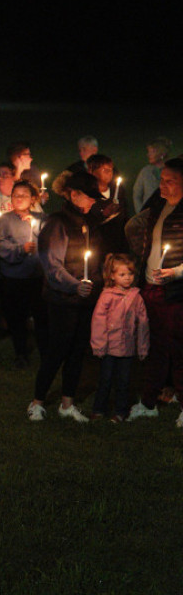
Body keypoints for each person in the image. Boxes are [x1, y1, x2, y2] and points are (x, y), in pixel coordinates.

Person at [28, 171, 105, 423]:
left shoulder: (88, 220)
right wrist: (75, 286)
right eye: (89, 197)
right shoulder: (58, 223)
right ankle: (37, 402)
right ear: (74, 195)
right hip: (63, 300)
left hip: (85, 299)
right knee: (57, 350)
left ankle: (67, 403)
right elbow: (52, 267)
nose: (93, 201)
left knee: (77, 351)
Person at [124, 158, 183, 422]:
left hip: (175, 292)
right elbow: (134, 227)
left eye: (170, 181)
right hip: (151, 287)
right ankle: (149, 402)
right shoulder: (158, 203)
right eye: (162, 179)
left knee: (177, 348)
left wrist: (176, 272)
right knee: (156, 346)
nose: (163, 185)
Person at [90, 254, 149, 422]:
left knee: (123, 383)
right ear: (112, 275)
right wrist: (99, 346)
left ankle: (120, 412)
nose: (127, 278)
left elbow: (143, 324)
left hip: (127, 349)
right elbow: (98, 322)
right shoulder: (107, 296)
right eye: (122, 275)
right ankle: (99, 409)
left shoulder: (136, 297)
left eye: (130, 274)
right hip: (109, 349)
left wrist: (142, 347)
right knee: (105, 380)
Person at [0, 180, 48, 367]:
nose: (19, 198)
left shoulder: (41, 219)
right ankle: (20, 352)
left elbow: (48, 242)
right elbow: (1, 245)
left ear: (33, 199)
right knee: (17, 317)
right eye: (15, 195)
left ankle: (45, 351)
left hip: (36, 276)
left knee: (41, 316)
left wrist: (36, 236)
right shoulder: (4, 219)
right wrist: (21, 249)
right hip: (14, 277)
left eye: (24, 195)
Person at [133, 137, 172, 212]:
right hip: (148, 213)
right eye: (148, 152)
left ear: (162, 154)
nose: (148, 155)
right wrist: (140, 212)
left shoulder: (171, 170)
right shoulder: (145, 171)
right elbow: (137, 194)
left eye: (152, 152)